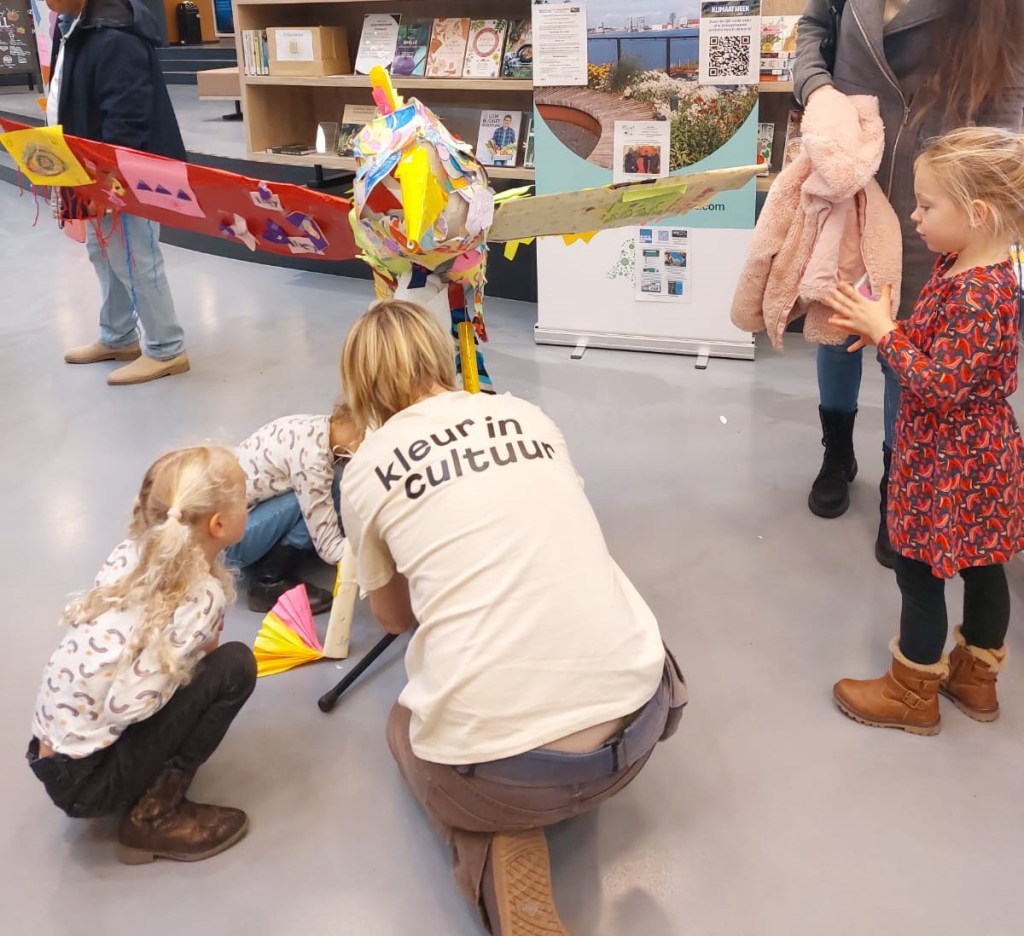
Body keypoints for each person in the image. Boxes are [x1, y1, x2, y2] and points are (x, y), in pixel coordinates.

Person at [338, 301, 687, 934]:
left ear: (360, 385)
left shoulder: (366, 469)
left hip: (512, 779)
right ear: (439, 355)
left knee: (403, 722)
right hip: (640, 726)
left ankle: (494, 847)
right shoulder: (526, 413)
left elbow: (392, 618)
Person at [794, 0, 1024, 565]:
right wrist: (817, 88)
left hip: (940, 204)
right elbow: (812, 28)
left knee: (908, 342)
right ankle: (837, 454)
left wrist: (989, 204)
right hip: (851, 184)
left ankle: (901, 481)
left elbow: (1012, 108)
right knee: (840, 325)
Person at [825, 127, 1024, 734]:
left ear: (978, 212)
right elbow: (945, 354)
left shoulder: (981, 294)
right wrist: (896, 332)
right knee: (985, 563)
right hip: (986, 455)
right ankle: (976, 681)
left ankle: (912, 693)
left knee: (919, 567)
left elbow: (939, 385)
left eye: (927, 205)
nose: (914, 217)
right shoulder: (976, 267)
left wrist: (887, 334)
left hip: (945, 458)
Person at [27, 446, 257, 862]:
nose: (250, 499)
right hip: (88, 784)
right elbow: (127, 705)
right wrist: (188, 661)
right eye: (244, 496)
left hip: (55, 757)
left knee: (204, 667)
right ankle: (154, 816)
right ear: (218, 524)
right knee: (234, 667)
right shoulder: (201, 597)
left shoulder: (132, 551)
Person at [46, 0, 191, 385]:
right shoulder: (71, 25)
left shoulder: (115, 34)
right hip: (85, 164)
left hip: (119, 173)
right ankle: (119, 335)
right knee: (102, 251)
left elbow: (129, 116)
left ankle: (166, 348)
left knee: (135, 255)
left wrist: (108, 181)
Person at [229, 405, 362, 614]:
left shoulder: (317, 426)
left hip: (231, 521)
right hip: (231, 545)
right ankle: (269, 582)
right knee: (314, 495)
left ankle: (279, 549)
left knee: (331, 485)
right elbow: (330, 550)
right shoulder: (313, 463)